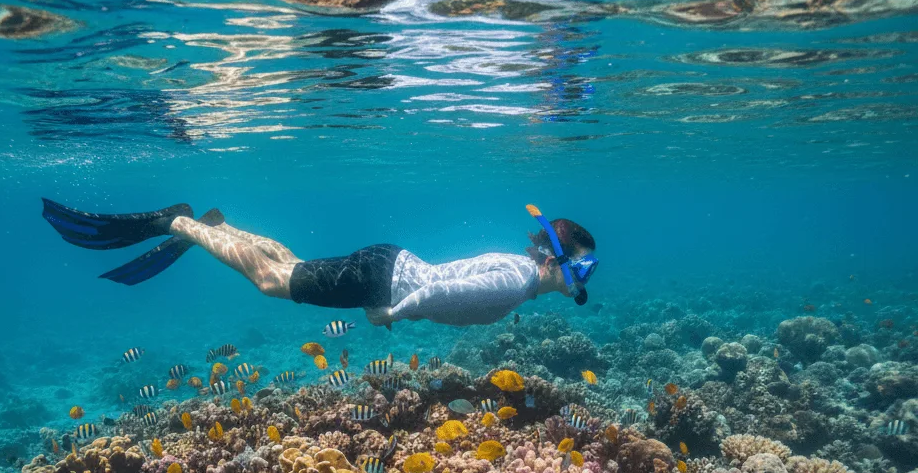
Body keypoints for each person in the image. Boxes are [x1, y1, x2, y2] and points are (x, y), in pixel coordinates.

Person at [41, 199, 597, 327]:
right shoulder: (518, 280)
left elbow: (449, 281)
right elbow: (442, 296)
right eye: (583, 269)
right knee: (270, 282)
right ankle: (179, 223)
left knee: (293, 264)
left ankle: (219, 227)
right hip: (383, 280)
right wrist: (393, 316)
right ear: (556, 260)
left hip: (389, 261)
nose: (583, 282)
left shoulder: (517, 269)